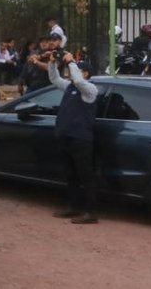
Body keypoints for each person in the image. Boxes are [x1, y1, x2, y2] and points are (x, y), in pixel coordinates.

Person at [48, 51, 99, 225]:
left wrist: (71, 62)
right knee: (70, 175)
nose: (71, 72)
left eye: (78, 70)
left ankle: (91, 212)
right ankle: (73, 206)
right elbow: (54, 79)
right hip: (66, 136)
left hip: (81, 139)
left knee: (86, 176)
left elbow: (78, 81)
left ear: (86, 73)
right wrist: (52, 63)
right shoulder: (70, 87)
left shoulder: (90, 89)